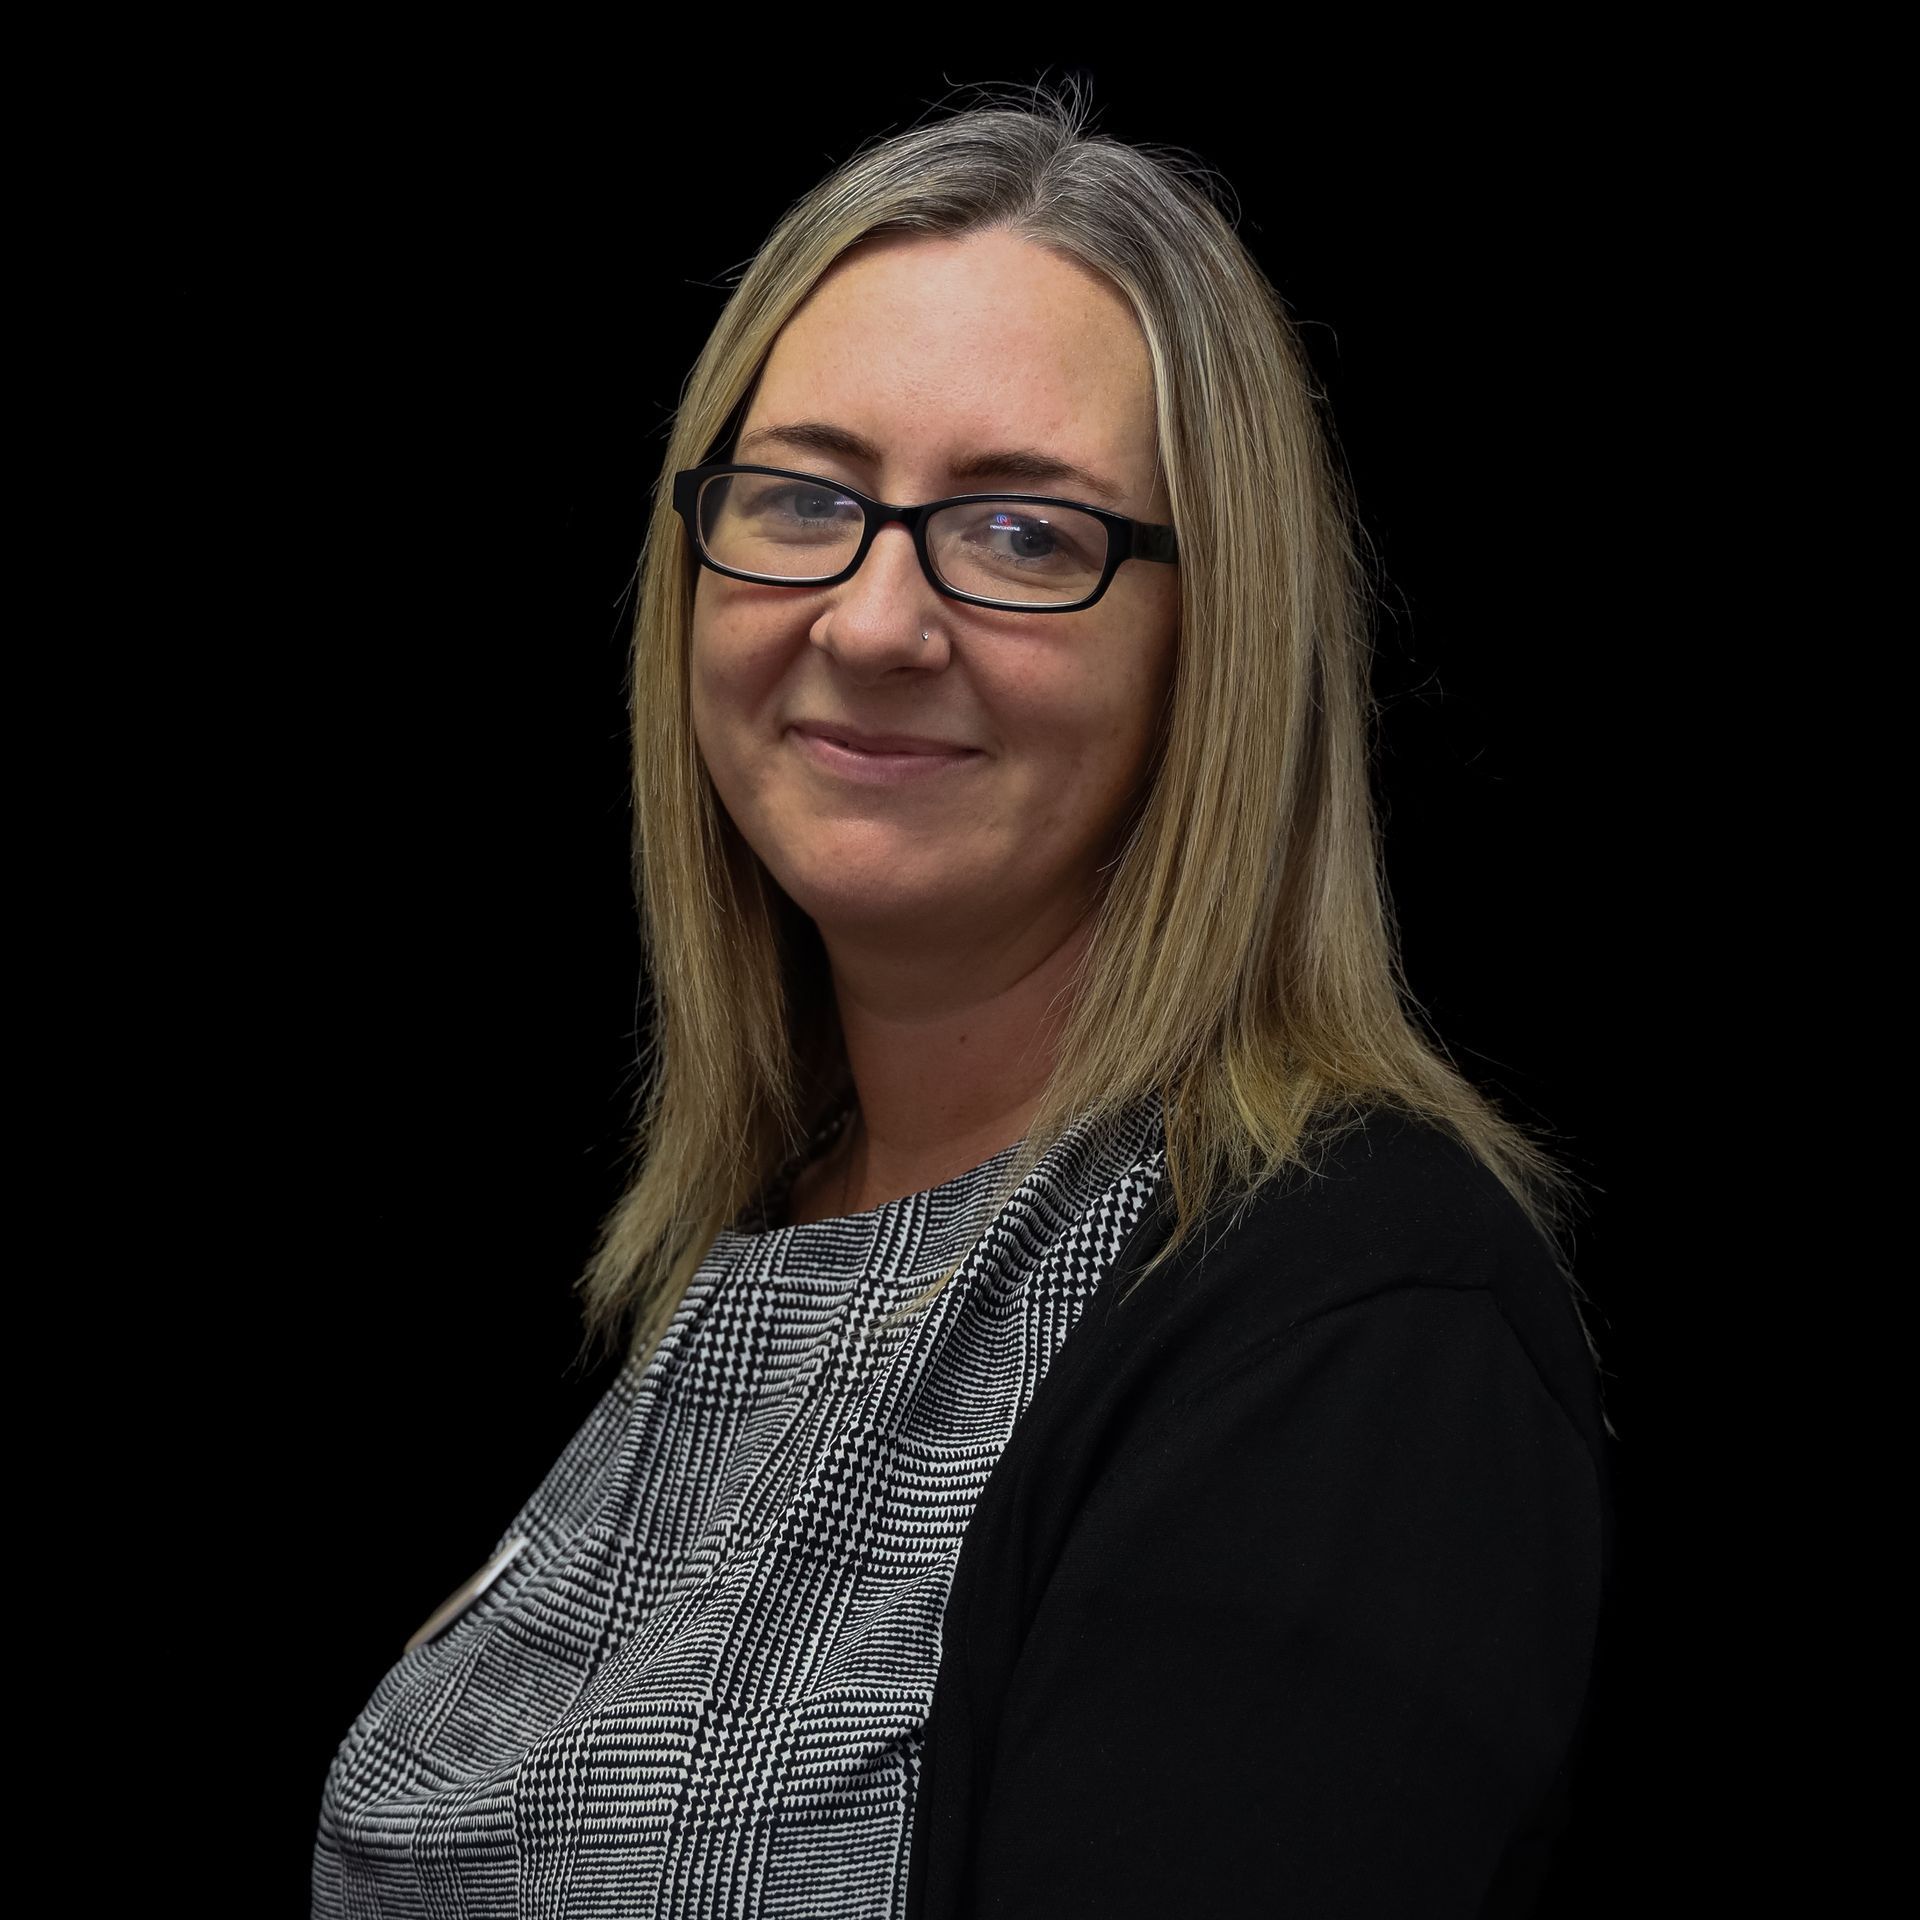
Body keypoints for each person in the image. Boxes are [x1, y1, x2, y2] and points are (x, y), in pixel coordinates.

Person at [313, 79, 1616, 1919]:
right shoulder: (750, 1247)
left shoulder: (1345, 1323)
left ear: (1212, 645)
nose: (870, 620)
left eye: (1023, 536)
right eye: (803, 498)